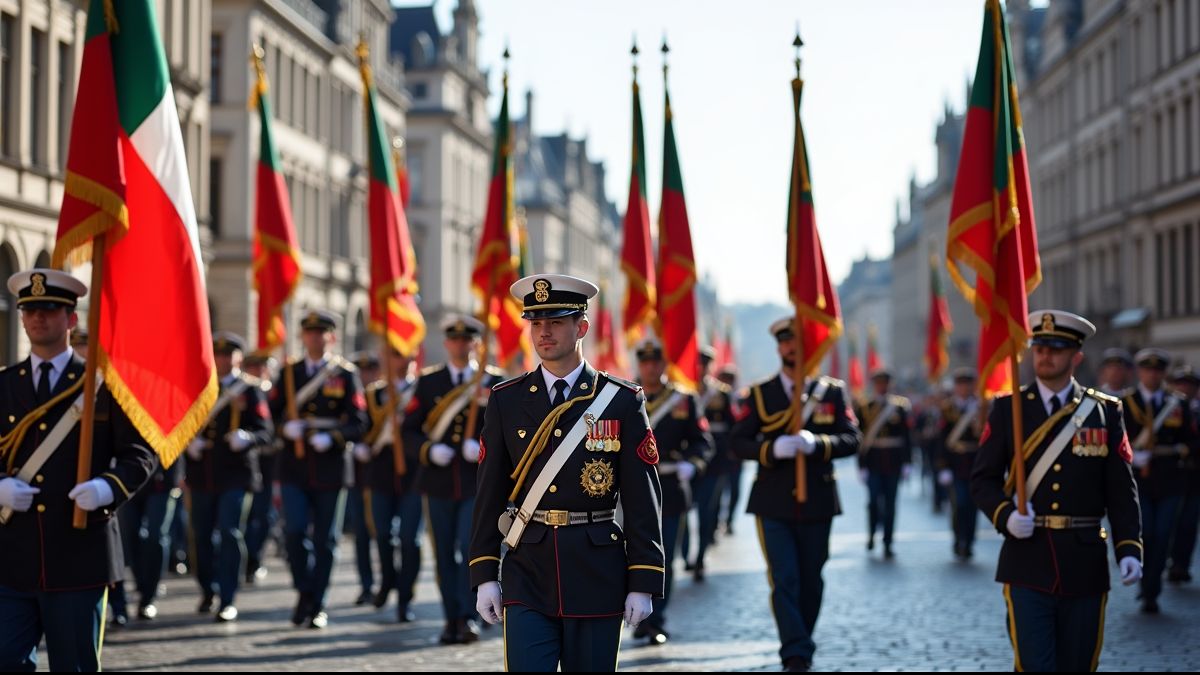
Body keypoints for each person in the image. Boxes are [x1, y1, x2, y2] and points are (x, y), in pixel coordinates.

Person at [469, 274, 664, 672]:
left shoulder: (621, 401)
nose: (544, 332)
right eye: (536, 323)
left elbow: (642, 498)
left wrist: (643, 579)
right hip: (528, 567)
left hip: (596, 570)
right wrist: (485, 573)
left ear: (582, 328)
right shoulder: (506, 400)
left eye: (556, 322)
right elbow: (488, 493)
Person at [0, 269, 155, 671]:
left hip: (78, 553)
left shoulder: (104, 385)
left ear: (71, 319)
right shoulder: (3, 385)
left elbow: (140, 453)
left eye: (50, 309)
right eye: (30, 309)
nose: (39, 318)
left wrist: (108, 487)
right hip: (11, 556)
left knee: (75, 665)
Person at [971, 310, 1143, 671]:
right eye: (1040, 348)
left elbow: (1120, 489)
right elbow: (982, 480)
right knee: (1035, 664)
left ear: (1076, 357)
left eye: (1057, 349)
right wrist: (1005, 517)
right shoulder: (1009, 409)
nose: (1046, 355)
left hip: (1084, 562)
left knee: (1079, 664)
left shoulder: (1105, 412)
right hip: (1025, 559)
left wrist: (1128, 547)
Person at [731, 317, 862, 672]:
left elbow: (852, 439)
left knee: (811, 579)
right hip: (772, 502)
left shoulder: (831, 392)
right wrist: (772, 450)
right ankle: (796, 652)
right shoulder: (760, 394)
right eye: (787, 343)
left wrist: (817, 443)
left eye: (799, 343)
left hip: (817, 500)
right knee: (784, 577)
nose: (793, 349)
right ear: (779, 348)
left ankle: (800, 637)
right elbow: (737, 442)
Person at [402, 315, 502, 644]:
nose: (460, 345)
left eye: (467, 340)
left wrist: (484, 448)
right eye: (454, 340)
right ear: (447, 344)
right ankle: (451, 618)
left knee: (470, 549)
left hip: (477, 483)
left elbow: (510, 435)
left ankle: (468, 616)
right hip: (438, 481)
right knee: (444, 554)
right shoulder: (429, 382)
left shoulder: (493, 382)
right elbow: (409, 431)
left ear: (477, 344)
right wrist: (428, 450)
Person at [270, 310, 369, 629]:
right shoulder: (289, 373)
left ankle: (319, 602)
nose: (314, 338)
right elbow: (268, 417)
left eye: (320, 333)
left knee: (326, 538)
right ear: (302, 337)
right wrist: (285, 429)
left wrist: (334, 437)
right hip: (294, 468)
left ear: (331, 337)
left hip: (331, 467)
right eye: (309, 333)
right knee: (294, 532)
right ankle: (304, 591)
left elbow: (359, 422)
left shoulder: (344, 373)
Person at [183, 332, 273, 622]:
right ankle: (207, 588)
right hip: (202, 472)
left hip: (236, 472)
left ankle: (228, 596)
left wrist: (248, 437)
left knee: (230, 531)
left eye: (229, 354)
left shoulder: (249, 389)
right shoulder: (199, 386)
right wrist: (187, 442)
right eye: (218, 354)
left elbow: (266, 430)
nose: (223, 359)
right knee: (200, 535)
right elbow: (180, 420)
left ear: (238, 358)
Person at [633, 338, 712, 645]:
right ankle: (638, 615)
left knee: (662, 557)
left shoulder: (684, 400)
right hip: (631, 490)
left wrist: (692, 464)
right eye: (646, 362)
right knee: (630, 555)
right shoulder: (624, 396)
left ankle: (657, 618)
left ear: (665, 365)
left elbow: (702, 442)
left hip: (669, 488)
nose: (651, 368)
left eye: (656, 362)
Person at [1122, 348, 1198, 613]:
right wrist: (1132, 457)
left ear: (1163, 374)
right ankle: (1145, 586)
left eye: (1157, 370)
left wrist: (1177, 450)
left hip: (1170, 482)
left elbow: (1192, 441)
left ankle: (1152, 591)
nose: (1152, 375)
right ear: (1139, 372)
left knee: (1163, 533)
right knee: (1147, 533)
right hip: (1137, 483)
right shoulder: (1124, 403)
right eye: (1147, 369)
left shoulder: (1177, 404)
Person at [356, 346, 423, 622]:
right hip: (381, 471)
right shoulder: (374, 394)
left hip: (414, 472)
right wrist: (361, 445)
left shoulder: (422, 390)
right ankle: (387, 580)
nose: (402, 360)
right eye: (395, 354)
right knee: (382, 533)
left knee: (409, 538)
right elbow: (362, 427)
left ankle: (405, 597)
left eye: (406, 354)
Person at [855, 369, 913, 558]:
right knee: (873, 501)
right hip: (873, 462)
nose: (882, 387)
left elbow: (906, 436)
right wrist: (861, 465)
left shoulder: (900, 406)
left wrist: (907, 462)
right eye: (879, 383)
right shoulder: (865, 407)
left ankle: (888, 541)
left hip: (894, 462)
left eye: (885, 383)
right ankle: (872, 535)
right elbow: (860, 439)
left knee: (890, 504)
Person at [692, 346, 734, 580]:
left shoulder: (721, 394)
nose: (701, 368)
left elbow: (731, 428)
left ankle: (700, 557)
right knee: (681, 510)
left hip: (715, 463)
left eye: (705, 364)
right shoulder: (681, 392)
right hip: (687, 462)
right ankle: (686, 552)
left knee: (707, 510)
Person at [934, 368, 984, 560]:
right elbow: (941, 439)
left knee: (973, 505)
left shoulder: (981, 407)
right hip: (955, 463)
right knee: (959, 503)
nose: (964, 388)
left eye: (967, 384)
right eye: (960, 385)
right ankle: (958, 538)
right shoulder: (947, 408)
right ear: (956, 387)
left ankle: (969, 541)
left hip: (976, 462)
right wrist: (942, 466)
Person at [346, 352, 382, 605]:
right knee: (361, 534)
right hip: (358, 476)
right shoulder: (355, 397)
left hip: (381, 475)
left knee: (382, 533)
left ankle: (385, 580)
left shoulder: (381, 396)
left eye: (370, 371)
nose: (365, 376)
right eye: (361, 372)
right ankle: (366, 584)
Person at [240, 352, 277, 584]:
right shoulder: (244, 391)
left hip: (270, 460)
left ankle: (256, 558)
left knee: (263, 513)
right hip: (246, 461)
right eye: (253, 366)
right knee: (246, 514)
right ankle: (244, 558)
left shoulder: (276, 392)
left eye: (262, 366)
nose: (258, 371)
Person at [1168, 366, 1200, 583]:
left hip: (1195, 475)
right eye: (1181, 384)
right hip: (1172, 475)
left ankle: (1181, 563)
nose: (1184, 388)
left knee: (1188, 523)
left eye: (1189, 384)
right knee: (1169, 522)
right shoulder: (1169, 409)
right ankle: (1168, 560)